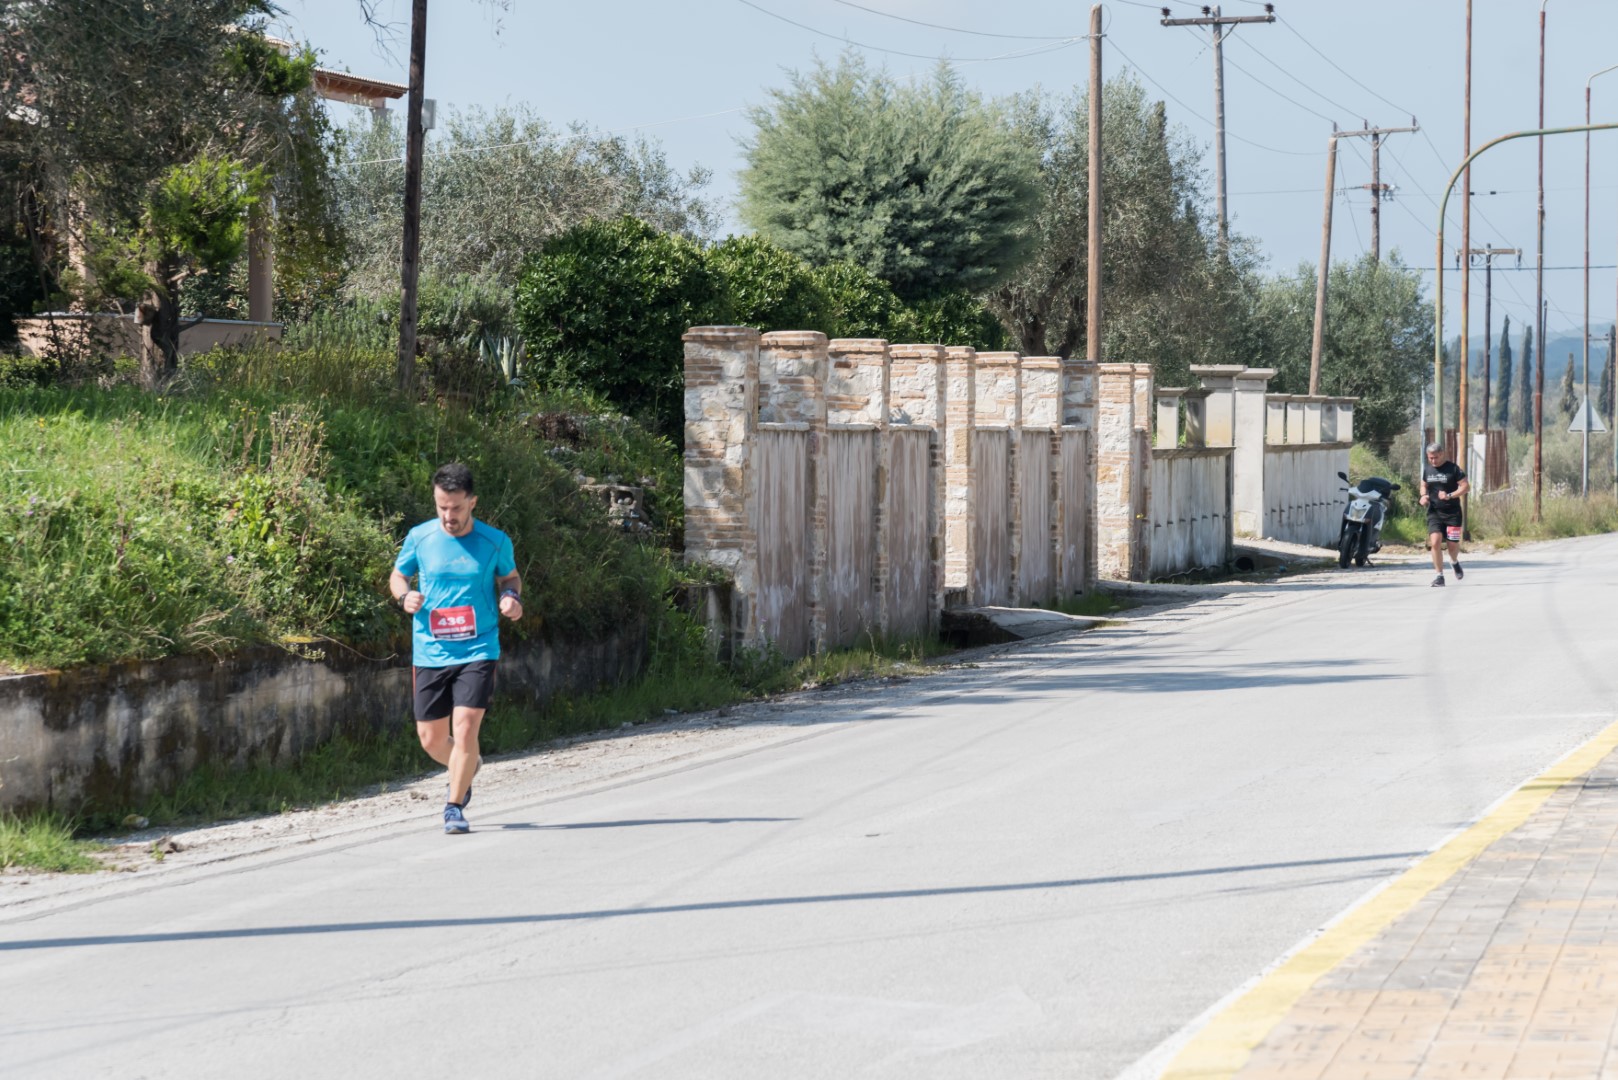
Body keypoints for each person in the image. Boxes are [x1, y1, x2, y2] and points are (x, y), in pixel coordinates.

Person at [389, 463, 522, 833]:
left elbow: (510, 578)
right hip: (430, 650)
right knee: (431, 739)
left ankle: (454, 805)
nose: (449, 516)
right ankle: (466, 765)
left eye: (457, 508)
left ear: (472, 502)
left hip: (478, 648)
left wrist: (511, 598)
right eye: (441, 507)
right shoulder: (420, 537)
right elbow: (399, 576)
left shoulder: (494, 541)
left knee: (465, 727)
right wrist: (404, 597)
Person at [1419, 441, 1469, 588]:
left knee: (1452, 545)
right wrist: (1423, 496)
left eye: (1436, 457)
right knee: (1435, 542)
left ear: (1442, 454)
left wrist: (1450, 495)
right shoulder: (1428, 470)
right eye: (1430, 458)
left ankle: (1454, 562)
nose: (1433, 461)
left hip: (1452, 513)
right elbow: (1423, 484)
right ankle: (1439, 576)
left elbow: (1466, 487)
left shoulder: (1453, 469)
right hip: (1434, 512)